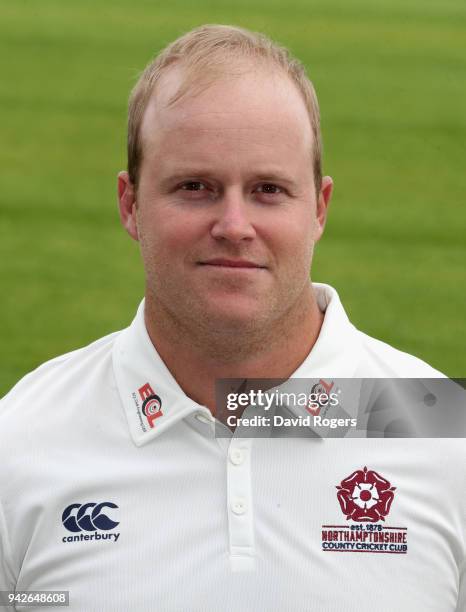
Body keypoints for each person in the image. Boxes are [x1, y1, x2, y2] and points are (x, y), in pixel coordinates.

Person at [0, 24, 464, 612]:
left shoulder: (446, 434)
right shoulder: (20, 439)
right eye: (195, 187)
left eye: (269, 189)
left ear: (318, 209)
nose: (234, 226)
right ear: (130, 204)